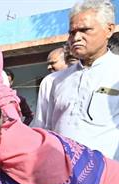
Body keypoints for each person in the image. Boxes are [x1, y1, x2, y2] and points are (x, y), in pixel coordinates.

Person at [45, 0, 119, 160]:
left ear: (109, 29)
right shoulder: (57, 80)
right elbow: (47, 129)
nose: (76, 38)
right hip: (61, 171)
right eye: (72, 32)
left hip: (109, 172)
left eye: (85, 30)